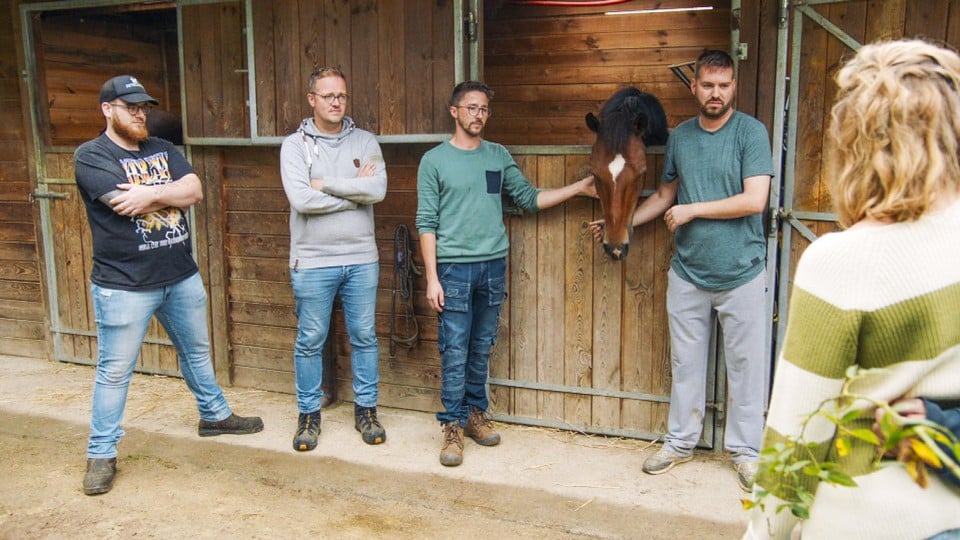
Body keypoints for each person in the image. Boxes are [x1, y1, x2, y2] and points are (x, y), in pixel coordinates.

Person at [743, 39, 960, 539]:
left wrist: (763, 532)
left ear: (857, 141)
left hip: (875, 521)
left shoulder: (843, 261)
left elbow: (796, 439)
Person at [591, 49, 773, 490]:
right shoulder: (682, 138)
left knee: (747, 367)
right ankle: (680, 442)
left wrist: (694, 211)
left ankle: (747, 453)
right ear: (694, 87)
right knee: (686, 364)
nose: (715, 93)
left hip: (742, 272)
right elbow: (666, 195)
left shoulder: (751, 133)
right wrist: (621, 222)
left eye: (723, 85)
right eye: (707, 85)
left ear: (734, 87)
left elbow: (755, 200)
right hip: (689, 273)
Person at [74, 75, 264, 496]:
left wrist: (149, 194)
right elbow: (121, 203)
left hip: (180, 275)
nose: (141, 113)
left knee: (196, 352)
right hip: (124, 285)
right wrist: (167, 193)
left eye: (144, 107)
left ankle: (214, 416)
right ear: (108, 109)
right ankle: (101, 453)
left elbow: (194, 190)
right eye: (131, 107)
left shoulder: (162, 148)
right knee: (114, 372)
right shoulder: (91, 156)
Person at [416, 81, 595, 467]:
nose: (478, 115)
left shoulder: (497, 155)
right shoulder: (434, 161)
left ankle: (475, 416)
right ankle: (451, 425)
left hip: (494, 265)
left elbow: (529, 199)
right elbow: (426, 223)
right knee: (454, 348)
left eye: (483, 109)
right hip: (453, 268)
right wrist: (432, 277)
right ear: (454, 111)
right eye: (471, 108)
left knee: (482, 346)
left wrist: (579, 187)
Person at [280, 67, 388, 451]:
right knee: (310, 340)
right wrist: (354, 193)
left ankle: (367, 410)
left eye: (341, 95)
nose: (336, 102)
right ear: (312, 99)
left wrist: (324, 184)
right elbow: (301, 200)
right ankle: (308, 415)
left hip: (361, 258)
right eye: (328, 96)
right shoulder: (295, 146)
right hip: (312, 260)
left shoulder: (364, 141)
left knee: (364, 337)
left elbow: (377, 190)